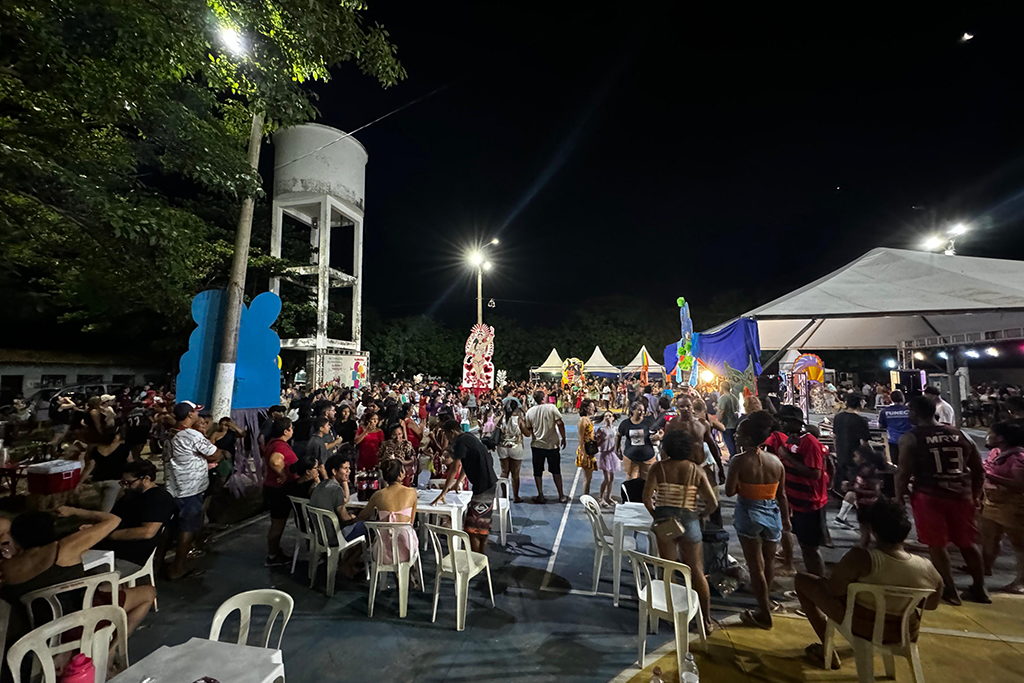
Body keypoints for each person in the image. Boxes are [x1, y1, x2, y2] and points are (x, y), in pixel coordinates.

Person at [795, 498, 943, 669]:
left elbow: (834, 590)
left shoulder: (861, 558)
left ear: (873, 530)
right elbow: (931, 604)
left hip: (863, 627)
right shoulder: (927, 567)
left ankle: (828, 651)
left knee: (802, 581)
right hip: (905, 632)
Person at [0, 507, 156, 637]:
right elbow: (113, 520)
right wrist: (75, 511)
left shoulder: (6, 567)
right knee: (148, 593)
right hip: (77, 623)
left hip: (36, 630)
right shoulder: (64, 548)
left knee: (103, 586)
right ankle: (112, 651)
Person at [896, 395, 988, 605]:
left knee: (936, 545)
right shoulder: (961, 434)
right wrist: (974, 494)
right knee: (968, 542)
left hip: (929, 495)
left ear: (915, 413)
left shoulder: (911, 438)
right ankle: (980, 587)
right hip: (961, 495)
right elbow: (978, 470)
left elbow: (903, 472)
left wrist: (899, 497)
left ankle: (949, 589)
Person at [642, 430, 718, 635]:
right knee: (696, 570)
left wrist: (656, 516)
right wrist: (700, 515)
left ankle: (673, 616)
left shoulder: (659, 468)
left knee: (668, 568)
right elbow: (712, 503)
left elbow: (646, 498)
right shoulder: (696, 470)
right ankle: (706, 620)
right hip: (690, 522)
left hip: (665, 523)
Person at [726, 411, 789, 629]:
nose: (735, 436)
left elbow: (729, 491)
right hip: (772, 513)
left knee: (755, 566)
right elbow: (782, 495)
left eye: (738, 434)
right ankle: (767, 601)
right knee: (768, 562)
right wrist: (786, 520)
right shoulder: (776, 462)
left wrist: (745, 485)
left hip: (749, 512)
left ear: (748, 438)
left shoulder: (739, 461)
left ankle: (763, 612)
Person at [765, 406, 831, 576]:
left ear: (796, 422)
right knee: (803, 544)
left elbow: (815, 473)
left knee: (810, 549)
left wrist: (786, 456)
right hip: (797, 502)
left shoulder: (809, 442)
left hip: (810, 503)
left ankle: (819, 582)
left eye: (785, 421)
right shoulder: (792, 440)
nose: (781, 424)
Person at [163, 401, 222, 580]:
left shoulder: (170, 432)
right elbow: (215, 454)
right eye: (196, 412)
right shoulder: (191, 435)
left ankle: (158, 564)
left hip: (173, 487)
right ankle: (178, 568)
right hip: (190, 488)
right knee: (186, 530)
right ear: (190, 415)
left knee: (170, 529)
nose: (198, 415)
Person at [95, 460, 176, 574]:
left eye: (129, 482)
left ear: (146, 479)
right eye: (123, 483)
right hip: (110, 548)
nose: (125, 487)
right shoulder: (132, 495)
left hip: (128, 556)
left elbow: (147, 532)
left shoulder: (158, 499)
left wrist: (107, 534)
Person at [434, 419, 498, 553]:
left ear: (452, 432)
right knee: (483, 523)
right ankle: (481, 556)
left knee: (473, 527)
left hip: (483, 486)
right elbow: (466, 462)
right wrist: (458, 482)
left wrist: (444, 491)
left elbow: (455, 467)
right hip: (489, 483)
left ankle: (476, 556)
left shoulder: (460, 442)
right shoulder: (469, 437)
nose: (447, 439)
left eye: (446, 435)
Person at [980, 420, 1024, 593]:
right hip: (992, 502)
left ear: (1001, 438)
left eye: (990, 434)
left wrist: (989, 476)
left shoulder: (1018, 458)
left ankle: (1021, 581)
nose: (988, 436)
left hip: (1013, 505)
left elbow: (1019, 485)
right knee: (989, 537)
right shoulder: (996, 453)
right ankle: (985, 567)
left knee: (1019, 543)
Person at [309, 454, 365, 577]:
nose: (349, 471)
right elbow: (345, 518)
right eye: (345, 468)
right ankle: (347, 565)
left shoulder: (320, 485)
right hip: (334, 535)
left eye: (349, 468)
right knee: (369, 528)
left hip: (319, 534)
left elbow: (343, 503)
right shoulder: (335, 490)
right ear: (334, 471)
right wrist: (355, 517)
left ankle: (347, 562)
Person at [521, 390, 568, 504]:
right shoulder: (551, 408)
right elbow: (560, 423)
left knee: (538, 471)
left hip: (537, 445)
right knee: (556, 470)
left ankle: (540, 494)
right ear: (543, 398)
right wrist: (563, 437)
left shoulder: (530, 411)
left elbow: (529, 429)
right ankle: (561, 495)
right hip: (552, 445)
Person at [262, 417, 298, 567]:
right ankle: (273, 555)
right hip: (279, 490)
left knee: (277, 523)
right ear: (285, 431)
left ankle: (275, 552)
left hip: (274, 488)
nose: (292, 430)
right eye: (291, 428)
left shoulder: (273, 443)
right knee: (277, 524)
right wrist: (283, 474)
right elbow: (275, 461)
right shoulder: (279, 446)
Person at [834, 445, 885, 549]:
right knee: (867, 530)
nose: (854, 459)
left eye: (856, 456)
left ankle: (864, 550)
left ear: (863, 458)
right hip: (863, 505)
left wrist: (853, 489)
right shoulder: (863, 470)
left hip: (869, 505)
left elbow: (874, 492)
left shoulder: (869, 472)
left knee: (866, 531)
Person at [832, 392, 870, 489]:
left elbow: (835, 437)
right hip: (855, 458)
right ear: (859, 403)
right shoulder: (861, 420)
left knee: (840, 484)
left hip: (841, 456)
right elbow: (865, 443)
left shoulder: (838, 417)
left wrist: (838, 451)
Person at [617, 402, 659, 482]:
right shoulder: (626, 424)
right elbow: (618, 435)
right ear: (633, 411)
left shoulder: (648, 422)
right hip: (631, 458)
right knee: (631, 481)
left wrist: (657, 437)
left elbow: (659, 432)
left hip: (647, 457)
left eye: (643, 410)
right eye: (639, 410)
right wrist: (617, 449)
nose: (642, 412)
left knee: (648, 481)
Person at [497, 401, 525, 503]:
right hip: (516, 447)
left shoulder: (500, 419)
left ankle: (504, 495)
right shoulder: (518, 419)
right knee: (515, 473)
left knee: (504, 471)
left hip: (502, 447)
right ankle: (516, 496)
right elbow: (527, 433)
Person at [878, 390, 912, 465]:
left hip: (893, 441)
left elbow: (881, 426)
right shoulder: (910, 410)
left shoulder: (885, 411)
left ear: (891, 399)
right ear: (903, 398)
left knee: (896, 464)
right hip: (908, 440)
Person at [378, 421, 416, 486]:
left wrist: (402, 462)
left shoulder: (406, 444)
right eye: (395, 435)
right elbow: (378, 459)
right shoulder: (385, 444)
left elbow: (412, 460)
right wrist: (385, 458)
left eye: (400, 434)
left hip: (402, 474)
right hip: (387, 474)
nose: (397, 437)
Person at [595, 411, 620, 507]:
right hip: (604, 455)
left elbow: (617, 442)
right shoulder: (601, 430)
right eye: (606, 416)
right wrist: (602, 440)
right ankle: (601, 498)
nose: (608, 417)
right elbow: (596, 444)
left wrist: (619, 451)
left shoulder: (615, 429)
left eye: (610, 416)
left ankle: (608, 497)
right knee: (607, 478)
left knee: (611, 478)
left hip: (612, 454)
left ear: (613, 418)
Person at [575, 399, 598, 498]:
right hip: (585, 450)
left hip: (590, 449)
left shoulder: (590, 419)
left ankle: (586, 494)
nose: (593, 409)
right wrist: (583, 453)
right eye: (591, 407)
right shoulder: (583, 420)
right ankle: (585, 496)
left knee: (589, 477)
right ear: (586, 408)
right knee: (587, 478)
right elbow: (581, 438)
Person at [716, 382, 740, 458]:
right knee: (735, 443)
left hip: (727, 424)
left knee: (730, 444)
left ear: (722, 388)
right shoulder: (734, 398)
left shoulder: (723, 398)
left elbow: (722, 411)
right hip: (735, 423)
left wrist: (718, 421)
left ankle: (732, 459)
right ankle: (737, 458)